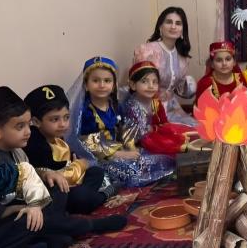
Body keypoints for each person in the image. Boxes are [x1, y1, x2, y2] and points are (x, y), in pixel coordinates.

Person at [0, 87, 126, 248]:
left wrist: (45, 173)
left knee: (56, 187)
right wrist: (19, 208)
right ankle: (91, 225)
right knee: (31, 220)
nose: (28, 132)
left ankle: (53, 231)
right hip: (3, 217)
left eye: (28, 125)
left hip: (25, 206)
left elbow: (29, 177)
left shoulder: (17, 151)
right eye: (20, 127)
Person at [66, 56, 175, 188]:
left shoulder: (115, 105)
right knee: (132, 172)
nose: (102, 85)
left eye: (107, 81)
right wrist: (117, 153)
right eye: (95, 80)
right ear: (86, 85)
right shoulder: (84, 111)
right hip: (98, 157)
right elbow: (83, 141)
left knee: (162, 160)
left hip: (119, 149)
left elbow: (124, 130)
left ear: (113, 85)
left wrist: (129, 148)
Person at [24, 84, 114, 215]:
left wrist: (77, 165)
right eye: (55, 119)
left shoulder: (56, 138)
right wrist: (79, 165)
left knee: (96, 172)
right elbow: (57, 175)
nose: (63, 124)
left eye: (66, 117)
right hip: (54, 191)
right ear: (36, 122)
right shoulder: (35, 144)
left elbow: (71, 160)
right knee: (80, 198)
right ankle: (105, 194)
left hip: (71, 182)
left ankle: (89, 193)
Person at [134, 6, 197, 124]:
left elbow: (179, 89)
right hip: (148, 108)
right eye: (169, 22)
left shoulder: (183, 58)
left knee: (195, 129)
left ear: (182, 30)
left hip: (172, 108)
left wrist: (189, 87)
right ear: (160, 27)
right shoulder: (146, 51)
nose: (173, 26)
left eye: (178, 23)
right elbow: (137, 85)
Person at [121, 61, 195, 155]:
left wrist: (156, 129)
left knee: (176, 132)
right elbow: (130, 132)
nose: (151, 86)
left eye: (154, 82)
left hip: (156, 132)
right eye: (144, 81)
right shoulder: (131, 106)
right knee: (155, 142)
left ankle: (185, 144)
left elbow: (164, 123)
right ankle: (178, 147)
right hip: (142, 139)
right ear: (133, 85)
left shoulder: (156, 103)